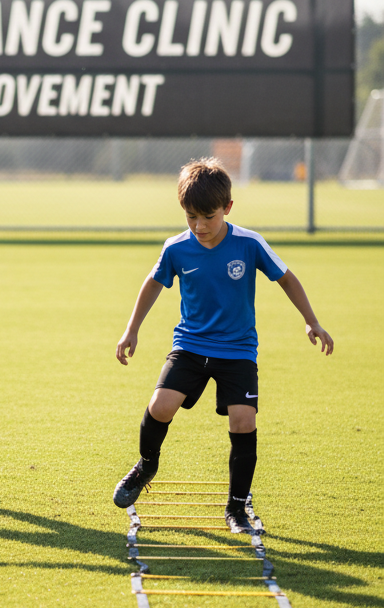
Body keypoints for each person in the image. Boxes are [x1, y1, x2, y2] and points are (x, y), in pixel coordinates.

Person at [112, 157, 333, 532]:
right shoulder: (177, 248)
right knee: (160, 406)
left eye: (208, 217)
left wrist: (311, 321)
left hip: (238, 350)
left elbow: (287, 279)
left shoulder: (249, 243)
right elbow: (151, 285)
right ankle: (147, 464)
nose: (199, 226)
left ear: (227, 208)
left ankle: (235, 508)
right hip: (191, 345)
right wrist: (131, 330)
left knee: (243, 422)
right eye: (190, 217)